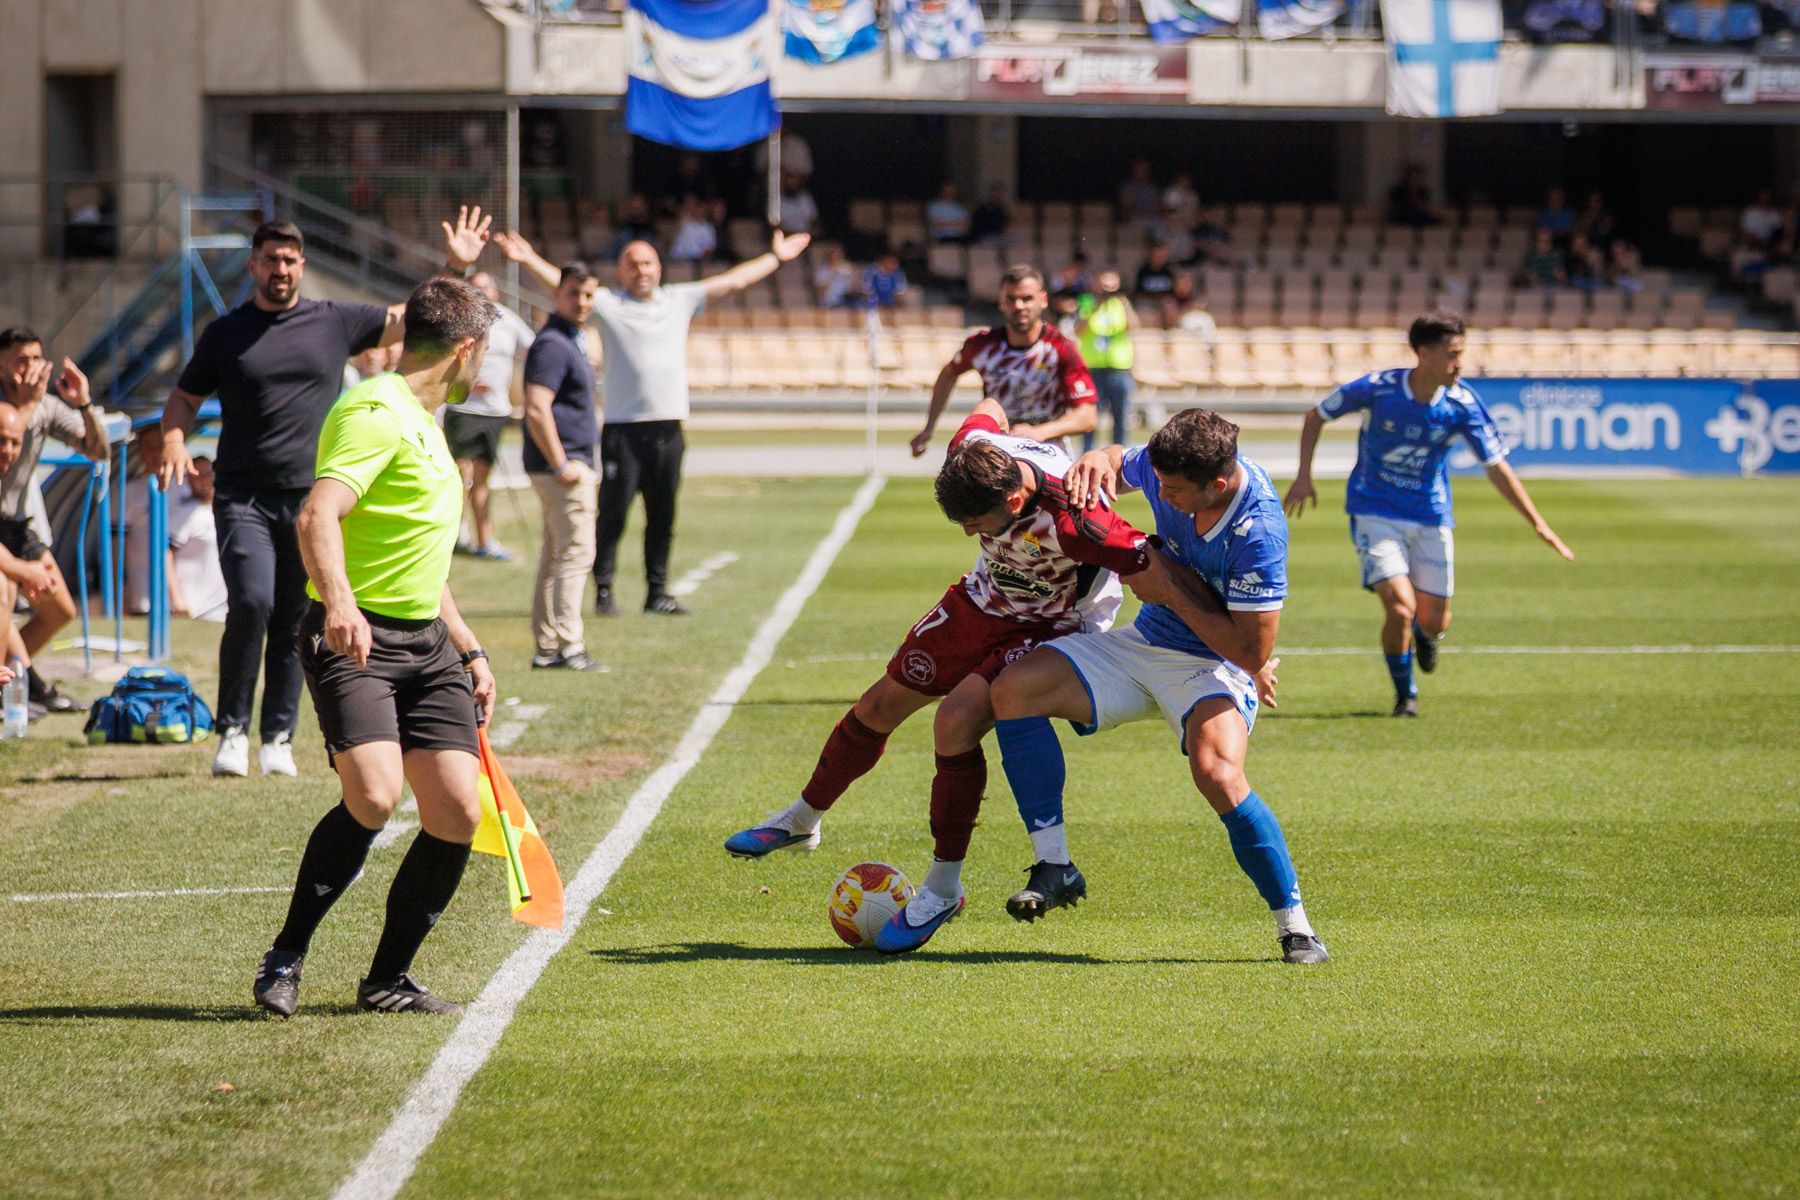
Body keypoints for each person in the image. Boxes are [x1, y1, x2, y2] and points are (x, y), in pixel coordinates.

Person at [723, 397, 1153, 954]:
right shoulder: (971, 458)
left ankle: (942, 888)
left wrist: (1237, 649)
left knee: (953, 723)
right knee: (878, 706)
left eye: (975, 522)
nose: (968, 532)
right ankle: (802, 820)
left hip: (1054, 625)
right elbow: (989, 405)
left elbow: (1156, 566)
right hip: (983, 602)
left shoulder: (1078, 513)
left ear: (1016, 498)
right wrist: (1013, 424)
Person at [152, 209, 490, 778]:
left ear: (302, 266)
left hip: (309, 495)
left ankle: (278, 734)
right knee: (252, 603)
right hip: (243, 495)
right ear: (254, 266)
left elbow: (418, 323)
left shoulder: (333, 320)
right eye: (269, 259)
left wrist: (454, 265)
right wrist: (171, 437)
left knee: (292, 613)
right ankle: (232, 728)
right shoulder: (226, 334)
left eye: (289, 259)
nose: (280, 268)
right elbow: (183, 396)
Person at [987, 408, 1328, 964]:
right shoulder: (1171, 468)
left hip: (1210, 663)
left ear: (1217, 484)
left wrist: (1167, 589)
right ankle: (1055, 865)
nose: (1161, 496)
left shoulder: (1257, 531)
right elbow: (1124, 463)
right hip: (1144, 643)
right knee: (1011, 692)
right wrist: (1100, 458)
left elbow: (1249, 652)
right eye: (1159, 484)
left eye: (1172, 490)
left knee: (1218, 773)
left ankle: (1296, 927)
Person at [250, 274, 499, 1018]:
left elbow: (416, 552)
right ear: (466, 351)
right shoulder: (374, 411)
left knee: (457, 809)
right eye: (485, 354)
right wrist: (343, 605)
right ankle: (286, 954)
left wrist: (469, 646)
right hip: (354, 637)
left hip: (425, 643)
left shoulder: (428, 418)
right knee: (374, 793)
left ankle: (387, 977)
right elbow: (317, 515)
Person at [497, 226, 812, 619]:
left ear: (659, 267)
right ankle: (605, 589)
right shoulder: (609, 304)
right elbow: (565, 286)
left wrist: (777, 258)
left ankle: (657, 591)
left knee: (662, 514)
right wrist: (527, 258)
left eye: (646, 263)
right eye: (632, 264)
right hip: (623, 428)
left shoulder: (680, 300)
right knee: (613, 513)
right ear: (622, 271)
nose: (640, 270)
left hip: (668, 427)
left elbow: (734, 281)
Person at [1282, 311, 1574, 718]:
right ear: (1423, 352)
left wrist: (1538, 523)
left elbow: (1496, 465)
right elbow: (1317, 414)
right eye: (1453, 354)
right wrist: (1303, 477)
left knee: (1434, 620)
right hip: (1374, 511)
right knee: (1400, 607)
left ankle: (1426, 635)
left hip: (1431, 516)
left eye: (1462, 354)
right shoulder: (1380, 389)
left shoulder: (1462, 403)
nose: (1460, 364)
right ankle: (1407, 696)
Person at [0, 329, 107, 714]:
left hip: (14, 524)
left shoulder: (44, 406)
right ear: (2, 363)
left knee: (60, 609)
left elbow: (99, 451)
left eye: (36, 358)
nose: (30, 368)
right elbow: (11, 426)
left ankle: (19, 678)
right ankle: (20, 686)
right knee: (4, 593)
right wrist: (27, 406)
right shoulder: (13, 407)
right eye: (20, 359)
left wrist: (83, 404)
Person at [911, 265, 1098, 457]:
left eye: (1027, 298)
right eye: (1011, 299)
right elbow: (948, 374)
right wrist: (929, 428)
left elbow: (1087, 416)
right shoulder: (982, 345)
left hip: (1049, 449)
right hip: (999, 450)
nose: (1018, 306)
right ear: (1001, 302)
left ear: (1043, 300)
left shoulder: (1061, 348)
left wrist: (1039, 432)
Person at [447, 269, 537, 562]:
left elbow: (534, 348)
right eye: (476, 287)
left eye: (487, 287)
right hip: (462, 409)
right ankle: (454, 536)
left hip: (495, 412)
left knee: (483, 478)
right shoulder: (457, 320)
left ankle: (485, 540)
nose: (483, 292)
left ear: (496, 292)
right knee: (459, 477)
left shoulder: (509, 320)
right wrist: (465, 381)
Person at [1074, 270, 1135, 452]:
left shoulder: (1121, 304)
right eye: (1104, 287)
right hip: (1094, 369)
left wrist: (1125, 305)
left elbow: (1134, 326)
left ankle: (1121, 454)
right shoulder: (1087, 303)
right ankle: (1087, 453)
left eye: (1111, 287)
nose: (1107, 292)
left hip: (1119, 368)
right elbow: (1078, 330)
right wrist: (1094, 308)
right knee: (1092, 417)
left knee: (1121, 417)